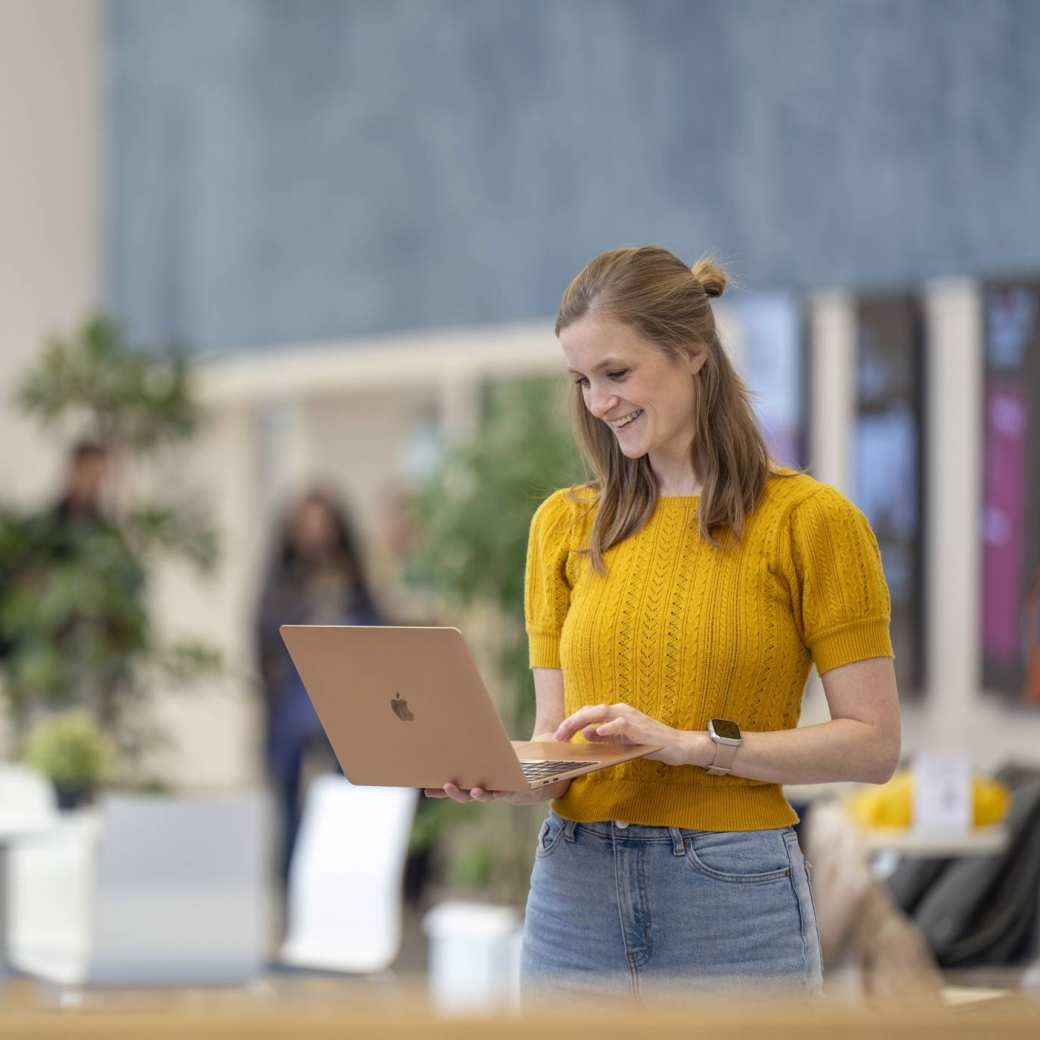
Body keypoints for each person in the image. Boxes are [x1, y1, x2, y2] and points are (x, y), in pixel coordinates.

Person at [426, 246, 900, 998]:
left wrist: (689, 747)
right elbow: (560, 739)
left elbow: (874, 746)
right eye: (582, 381)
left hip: (731, 894)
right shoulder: (563, 526)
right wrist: (512, 778)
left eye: (617, 374)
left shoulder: (811, 523)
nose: (598, 402)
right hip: (573, 897)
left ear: (693, 354)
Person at [255, 488, 384, 885]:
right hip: (294, 709)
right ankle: (292, 885)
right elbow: (264, 640)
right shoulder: (281, 584)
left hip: (348, 709)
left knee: (346, 803)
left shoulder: (353, 580)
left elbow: (378, 632)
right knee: (292, 807)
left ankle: (338, 884)